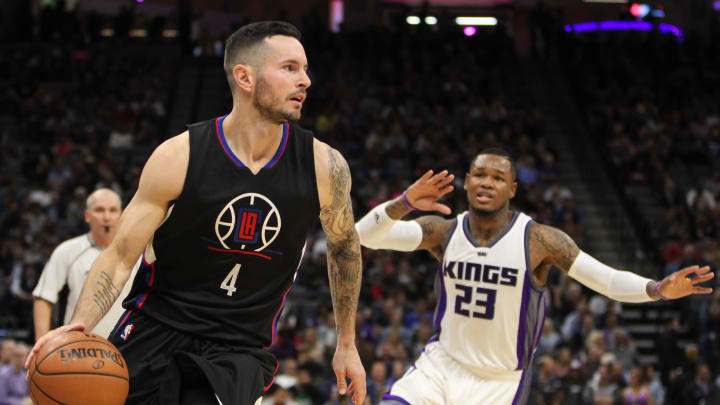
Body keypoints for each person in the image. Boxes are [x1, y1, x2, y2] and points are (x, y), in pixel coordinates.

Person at [26, 21, 366, 405]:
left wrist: (347, 343)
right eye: (289, 68)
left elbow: (345, 248)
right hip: (155, 327)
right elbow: (121, 255)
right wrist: (79, 325)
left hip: (238, 346)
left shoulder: (324, 166)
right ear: (245, 77)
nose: (305, 80)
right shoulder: (179, 156)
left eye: (304, 69)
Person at [355, 148, 714, 405]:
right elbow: (363, 236)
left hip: (498, 382)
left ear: (512, 189)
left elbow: (606, 280)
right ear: (466, 182)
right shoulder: (443, 231)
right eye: (479, 174)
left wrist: (656, 288)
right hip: (441, 364)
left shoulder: (540, 240)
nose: (487, 183)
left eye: (498, 178)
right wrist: (403, 202)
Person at [32, 188, 138, 339]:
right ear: (87, 216)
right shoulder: (67, 251)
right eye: (100, 210)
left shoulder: (137, 252)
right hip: (79, 348)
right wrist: (41, 343)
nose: (106, 217)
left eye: (113, 210)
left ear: (121, 214)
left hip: (127, 346)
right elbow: (43, 297)